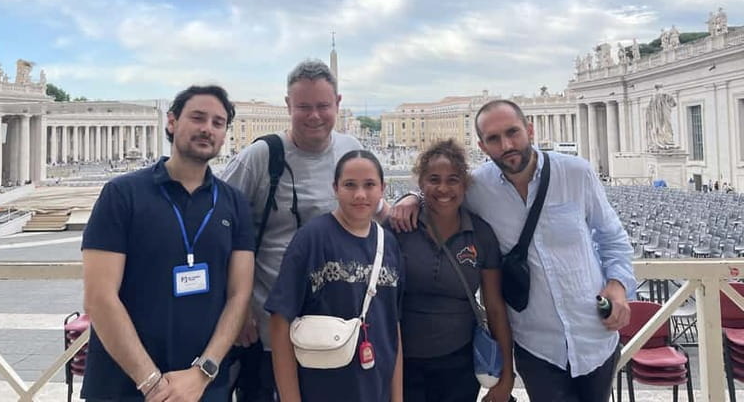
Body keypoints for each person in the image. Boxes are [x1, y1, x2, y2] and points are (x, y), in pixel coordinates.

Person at [392, 100, 634, 402]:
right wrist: (412, 198)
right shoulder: (479, 188)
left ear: (529, 129)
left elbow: (613, 237)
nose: (506, 145)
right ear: (482, 145)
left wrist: (618, 285)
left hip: (594, 336)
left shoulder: (576, 173)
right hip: (537, 346)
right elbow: (441, 191)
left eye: (513, 132)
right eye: (494, 138)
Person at [81, 85, 255, 402]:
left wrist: (203, 373)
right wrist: (152, 384)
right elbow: (99, 297)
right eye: (198, 117)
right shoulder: (121, 194)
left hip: (203, 388)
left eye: (218, 123)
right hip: (124, 386)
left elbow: (239, 295)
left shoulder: (234, 203)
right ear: (172, 122)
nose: (207, 128)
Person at [221, 59, 361, 400]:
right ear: (288, 106)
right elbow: (217, 228)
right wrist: (235, 310)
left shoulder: (353, 149)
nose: (315, 116)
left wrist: (413, 200)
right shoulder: (259, 157)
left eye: (323, 106)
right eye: (304, 107)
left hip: (336, 330)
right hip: (269, 332)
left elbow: (376, 212)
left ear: (338, 104)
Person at [266, 150, 403, 402]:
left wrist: (397, 397)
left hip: (377, 390)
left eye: (369, 185)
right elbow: (279, 321)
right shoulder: (311, 239)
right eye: (350, 185)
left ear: (383, 188)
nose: (360, 194)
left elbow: (392, 326)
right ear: (335, 188)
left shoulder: (390, 244)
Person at [395, 139, 514, 402]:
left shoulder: (481, 234)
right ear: (421, 183)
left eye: (453, 179)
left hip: (459, 364)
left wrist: (507, 375)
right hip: (401, 363)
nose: (443, 188)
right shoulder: (399, 229)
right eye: (433, 179)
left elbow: (494, 307)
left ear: (465, 184)